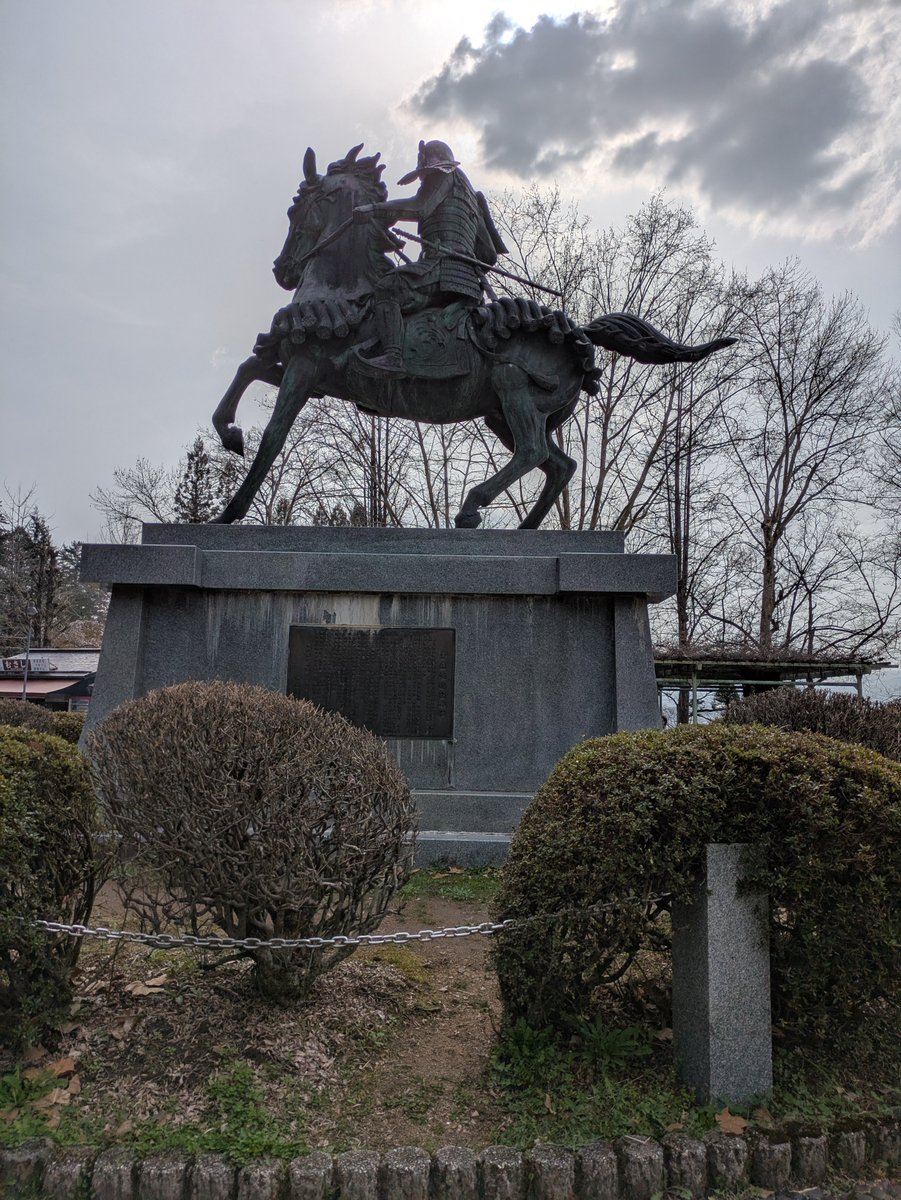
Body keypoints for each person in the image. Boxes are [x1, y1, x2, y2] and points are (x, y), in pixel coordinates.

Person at [352, 139, 507, 376]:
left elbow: (420, 207)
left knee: (387, 287)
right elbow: (487, 255)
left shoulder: (442, 175)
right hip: (466, 282)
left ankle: (393, 357)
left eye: (423, 175)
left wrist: (374, 209)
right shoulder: (473, 198)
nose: (423, 180)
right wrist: (465, 262)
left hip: (441, 268)